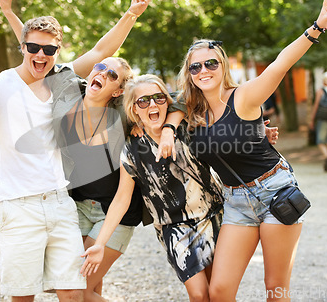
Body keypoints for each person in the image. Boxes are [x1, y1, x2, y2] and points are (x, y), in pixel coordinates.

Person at [0, 0, 156, 302]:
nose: (40, 55)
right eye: (32, 48)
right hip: (18, 205)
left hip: (61, 203)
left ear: (57, 51)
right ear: (22, 47)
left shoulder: (65, 80)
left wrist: (132, 13)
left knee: (74, 293)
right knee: (23, 296)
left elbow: (101, 50)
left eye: (49, 50)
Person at [176, 0, 327, 301]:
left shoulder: (245, 96)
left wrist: (316, 27)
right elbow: (149, 104)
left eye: (210, 63)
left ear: (222, 65)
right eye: (195, 67)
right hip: (236, 202)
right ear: (189, 74)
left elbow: (281, 64)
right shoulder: (189, 111)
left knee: (275, 290)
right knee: (220, 290)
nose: (203, 71)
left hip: (275, 191)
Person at [81, 74, 224, 302]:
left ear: (167, 101)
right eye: (143, 101)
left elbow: (196, 99)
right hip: (175, 228)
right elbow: (121, 199)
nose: (152, 104)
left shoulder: (187, 128)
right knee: (198, 294)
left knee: (218, 292)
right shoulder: (132, 151)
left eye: (158, 98)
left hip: (213, 216)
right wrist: (99, 244)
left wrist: (259, 136)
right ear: (134, 109)